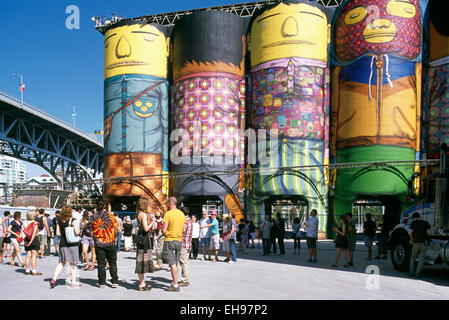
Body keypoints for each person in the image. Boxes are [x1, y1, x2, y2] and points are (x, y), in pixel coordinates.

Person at [88, 199, 120, 288]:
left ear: (96, 206)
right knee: (113, 262)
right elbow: (117, 228)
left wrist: (95, 238)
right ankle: (114, 281)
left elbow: (91, 231)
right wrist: (114, 236)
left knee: (101, 263)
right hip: (110, 242)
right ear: (104, 206)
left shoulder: (93, 217)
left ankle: (102, 282)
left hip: (99, 243)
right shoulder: (110, 215)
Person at [49, 205, 81, 289]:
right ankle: (73, 282)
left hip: (62, 244)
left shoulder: (59, 221)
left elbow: (58, 234)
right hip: (72, 244)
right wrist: (79, 229)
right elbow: (77, 232)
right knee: (72, 264)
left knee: (61, 263)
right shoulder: (73, 220)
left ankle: (54, 279)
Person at [162, 197, 186, 292]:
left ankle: (175, 284)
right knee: (175, 263)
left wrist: (166, 231)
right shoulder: (181, 214)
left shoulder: (168, 214)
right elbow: (184, 229)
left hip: (170, 240)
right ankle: (174, 282)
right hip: (179, 240)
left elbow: (164, 230)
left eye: (167, 203)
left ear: (169, 203)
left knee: (172, 264)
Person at [135, 197, 155, 291]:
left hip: (140, 239)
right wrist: (153, 222)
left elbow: (140, 227)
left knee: (140, 261)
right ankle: (141, 284)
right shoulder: (143, 214)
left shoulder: (138, 213)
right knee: (142, 261)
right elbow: (146, 228)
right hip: (144, 239)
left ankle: (142, 283)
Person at [408, 212, 431, 278]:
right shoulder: (425, 223)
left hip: (416, 243)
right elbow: (429, 233)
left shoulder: (413, 223)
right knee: (421, 260)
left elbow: (410, 232)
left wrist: (411, 237)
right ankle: (417, 275)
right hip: (424, 243)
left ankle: (411, 273)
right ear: (419, 216)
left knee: (413, 257)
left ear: (414, 217)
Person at [23, 211, 41, 275]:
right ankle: (34, 271)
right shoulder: (35, 223)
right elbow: (34, 233)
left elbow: (23, 232)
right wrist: (31, 241)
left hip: (26, 238)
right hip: (34, 240)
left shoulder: (24, 223)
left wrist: (25, 240)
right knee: (34, 256)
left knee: (28, 255)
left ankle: (27, 270)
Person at [179, 207, 193, 287]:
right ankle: (185, 279)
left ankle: (185, 280)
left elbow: (182, 231)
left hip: (183, 244)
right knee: (186, 262)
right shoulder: (190, 220)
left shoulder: (185, 221)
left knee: (184, 263)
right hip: (188, 244)